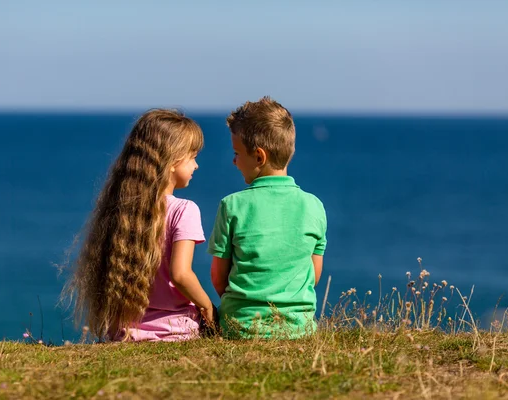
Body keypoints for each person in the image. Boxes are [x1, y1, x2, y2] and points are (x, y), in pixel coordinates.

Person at [63, 109, 214, 341]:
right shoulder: (184, 209)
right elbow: (181, 274)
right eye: (193, 156)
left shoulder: (122, 210)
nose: (197, 166)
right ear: (173, 160)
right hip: (177, 331)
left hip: (124, 333)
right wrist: (207, 306)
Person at [208, 97, 328, 338]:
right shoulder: (314, 206)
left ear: (259, 157)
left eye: (237, 153)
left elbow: (218, 277)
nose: (234, 161)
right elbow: (313, 276)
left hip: (240, 327)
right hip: (299, 329)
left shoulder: (231, 206)